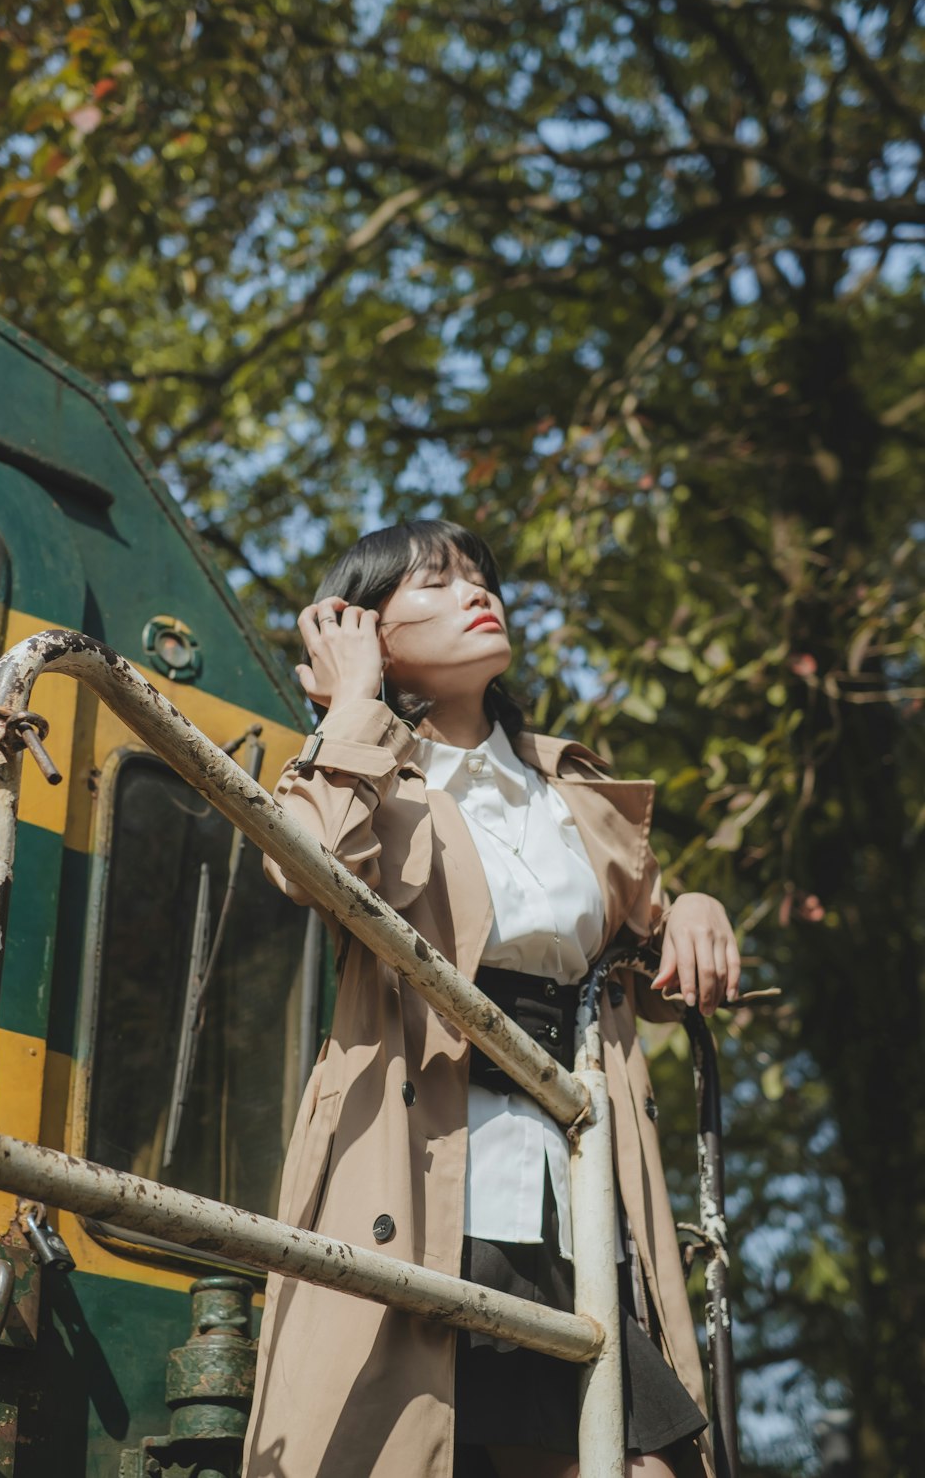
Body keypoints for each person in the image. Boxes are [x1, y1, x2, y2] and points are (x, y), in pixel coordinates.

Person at [243, 520, 740, 1478]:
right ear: (361, 631)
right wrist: (351, 703)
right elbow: (302, 866)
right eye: (431, 585)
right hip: (428, 1177)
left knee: (654, 1460)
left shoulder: (568, 790)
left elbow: (650, 949)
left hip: (583, 1185)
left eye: (480, 577)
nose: (478, 594)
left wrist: (697, 910)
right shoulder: (374, 771)